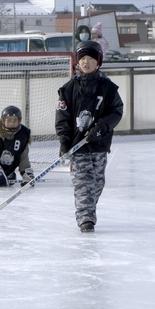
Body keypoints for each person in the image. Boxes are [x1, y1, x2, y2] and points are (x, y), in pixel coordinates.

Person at [55, 40, 124, 233]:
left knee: (97, 183)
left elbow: (116, 111)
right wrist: (64, 142)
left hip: (100, 145)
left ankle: (87, 210)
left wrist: (101, 127)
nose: (86, 62)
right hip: (79, 147)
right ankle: (86, 218)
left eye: (91, 58)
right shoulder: (68, 89)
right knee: (84, 183)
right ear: (77, 62)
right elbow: (62, 118)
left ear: (98, 62)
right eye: (82, 58)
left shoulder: (108, 87)